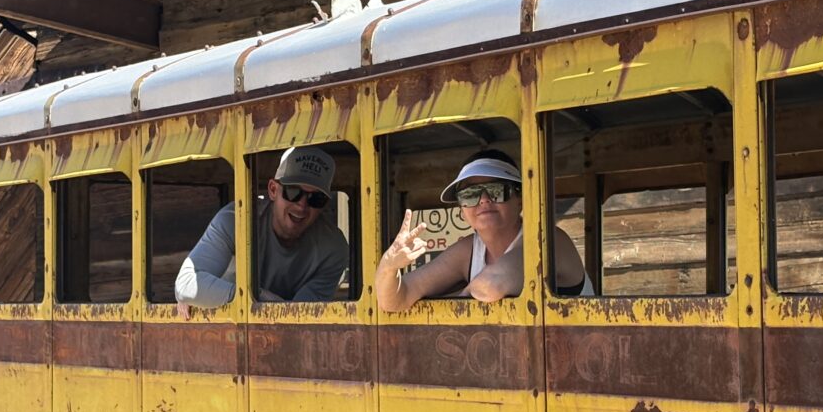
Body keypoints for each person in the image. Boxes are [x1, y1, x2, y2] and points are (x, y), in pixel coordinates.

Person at [376, 149, 591, 312]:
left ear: (520, 200)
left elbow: (492, 286)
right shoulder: (468, 250)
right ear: (462, 209)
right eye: (471, 195)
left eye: (497, 191)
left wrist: (455, 297)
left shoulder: (550, 240)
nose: (484, 200)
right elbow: (395, 300)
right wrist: (388, 267)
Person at [175, 146, 348, 313]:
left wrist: (210, 294)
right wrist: (259, 298)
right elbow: (186, 285)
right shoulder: (236, 219)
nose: (301, 206)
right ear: (273, 190)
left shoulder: (332, 248)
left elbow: (301, 317)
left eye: (316, 199)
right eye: (293, 192)